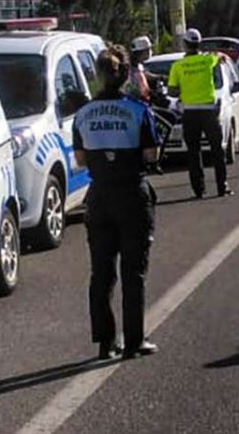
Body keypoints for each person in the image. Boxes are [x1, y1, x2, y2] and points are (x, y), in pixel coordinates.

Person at [72, 45, 161, 360]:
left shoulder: (82, 114)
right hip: (131, 196)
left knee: (101, 272)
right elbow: (152, 154)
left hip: (98, 198)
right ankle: (134, 341)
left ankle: (104, 342)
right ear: (125, 75)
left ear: (98, 74)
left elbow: (80, 161)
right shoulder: (137, 111)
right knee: (133, 272)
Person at [167, 28, 232, 199]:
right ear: (199, 44)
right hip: (209, 112)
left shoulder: (177, 66)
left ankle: (199, 190)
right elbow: (219, 57)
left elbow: (172, 92)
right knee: (217, 150)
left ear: (185, 45)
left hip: (189, 113)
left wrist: (183, 89)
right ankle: (222, 187)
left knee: (194, 152)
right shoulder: (207, 60)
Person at [125, 36, 153, 102]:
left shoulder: (139, 65)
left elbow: (145, 74)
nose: (149, 52)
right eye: (147, 50)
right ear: (139, 52)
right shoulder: (128, 68)